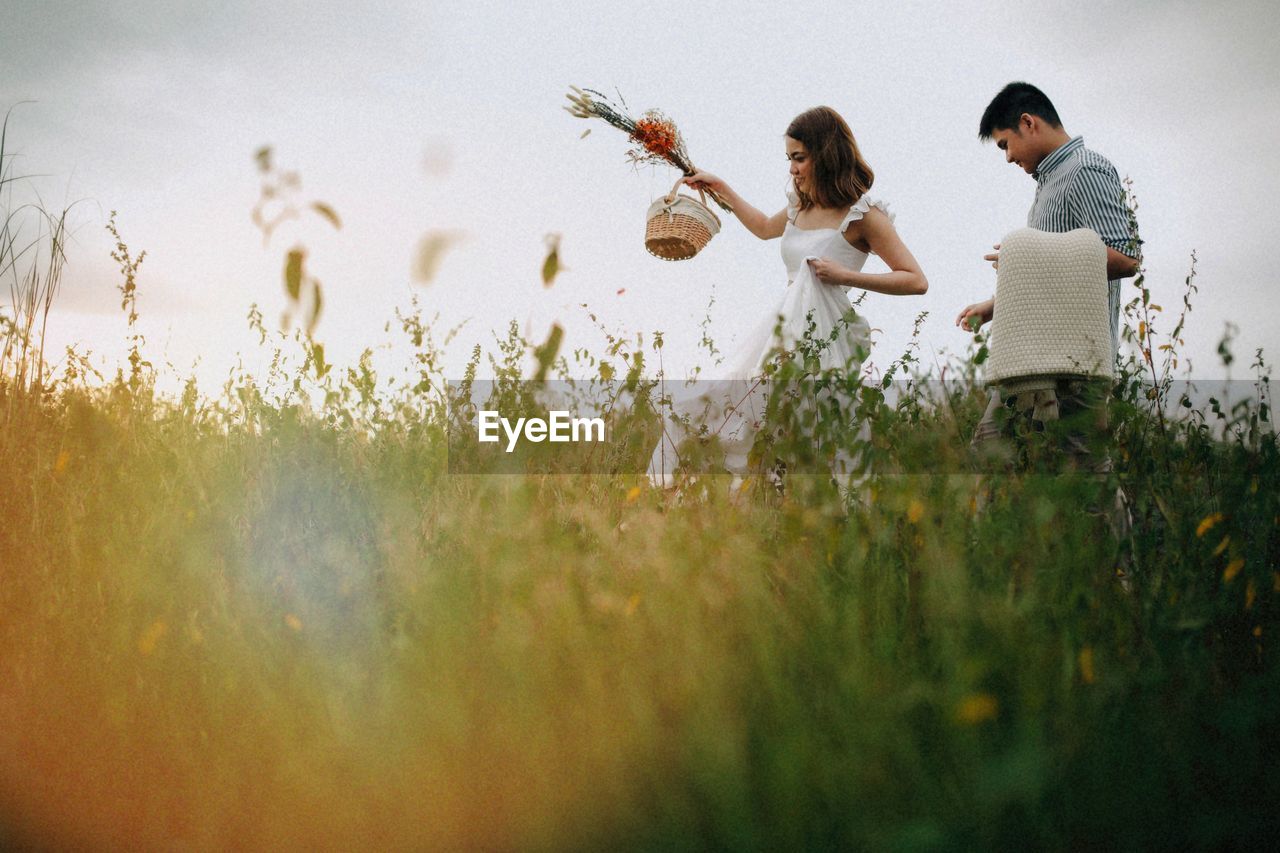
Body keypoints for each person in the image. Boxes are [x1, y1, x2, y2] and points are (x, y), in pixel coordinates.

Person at [648, 105, 927, 489]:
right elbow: (763, 227)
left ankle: (820, 506)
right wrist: (720, 187)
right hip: (784, 325)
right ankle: (753, 501)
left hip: (825, 332)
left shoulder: (864, 215)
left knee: (815, 424)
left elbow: (915, 280)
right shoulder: (801, 207)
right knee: (736, 404)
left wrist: (844, 275)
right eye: (789, 159)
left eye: (800, 158)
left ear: (825, 154)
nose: (793, 168)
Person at [955, 82, 1142, 470]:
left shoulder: (1085, 169)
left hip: (1076, 364)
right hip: (1031, 359)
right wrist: (994, 305)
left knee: (1082, 476)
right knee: (995, 459)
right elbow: (1054, 274)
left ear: (1028, 123)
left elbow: (1126, 257)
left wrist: (1034, 256)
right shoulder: (1049, 183)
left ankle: (1122, 532)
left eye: (1005, 144)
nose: (1007, 158)